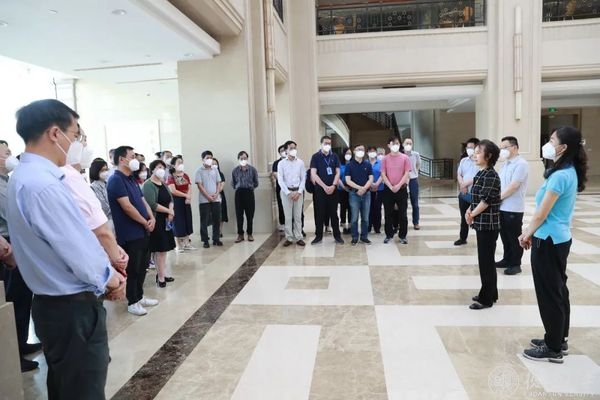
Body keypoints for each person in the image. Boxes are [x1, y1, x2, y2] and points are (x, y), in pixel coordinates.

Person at [6, 99, 126, 399]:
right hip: (72, 310)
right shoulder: (43, 185)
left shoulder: (23, 177)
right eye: (75, 135)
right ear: (54, 133)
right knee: (83, 390)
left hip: (53, 306)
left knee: (65, 387)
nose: (76, 143)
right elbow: (76, 248)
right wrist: (111, 280)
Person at [519, 126, 588, 363]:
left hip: (548, 240)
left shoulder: (560, 176)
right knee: (558, 289)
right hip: (558, 238)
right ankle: (558, 338)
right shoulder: (567, 171)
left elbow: (542, 213)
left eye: (551, 140)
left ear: (563, 147)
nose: (547, 144)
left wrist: (526, 233)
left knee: (549, 292)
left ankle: (553, 347)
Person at [0, 141, 41, 373]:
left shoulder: (7, 181)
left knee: (24, 297)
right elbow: (13, 212)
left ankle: (22, 342)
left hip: (18, 242)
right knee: (14, 299)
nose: (9, 155)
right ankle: (13, 353)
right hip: (8, 247)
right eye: (5, 152)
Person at [108, 145, 159, 316]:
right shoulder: (116, 180)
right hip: (130, 233)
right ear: (122, 159)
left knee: (143, 265)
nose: (135, 160)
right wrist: (145, 222)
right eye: (132, 156)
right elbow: (127, 206)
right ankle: (132, 301)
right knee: (133, 268)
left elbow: (143, 201)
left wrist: (151, 218)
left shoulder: (131, 179)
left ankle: (139, 296)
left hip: (143, 230)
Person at [465, 139, 501, 310]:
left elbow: (486, 201)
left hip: (488, 225)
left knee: (486, 261)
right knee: (485, 260)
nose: (475, 155)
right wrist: (469, 211)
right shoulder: (480, 173)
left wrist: (472, 214)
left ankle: (486, 299)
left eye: (479, 152)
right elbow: (476, 199)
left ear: (489, 156)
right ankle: (491, 293)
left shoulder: (491, 175)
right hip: (481, 223)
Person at [495, 136, 529, 276]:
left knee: (514, 237)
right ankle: (507, 259)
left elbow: (514, 186)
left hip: (513, 207)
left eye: (505, 147)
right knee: (504, 236)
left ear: (514, 147)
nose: (502, 150)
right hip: (502, 206)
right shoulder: (505, 164)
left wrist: (497, 199)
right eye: (501, 148)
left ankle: (515, 264)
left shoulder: (521, 164)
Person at [143, 160, 176, 287]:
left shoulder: (163, 183)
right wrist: (168, 211)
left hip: (166, 220)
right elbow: (152, 204)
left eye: (163, 167)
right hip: (156, 219)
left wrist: (171, 211)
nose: (161, 169)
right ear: (152, 169)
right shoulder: (148, 185)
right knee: (159, 250)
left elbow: (170, 199)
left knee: (164, 249)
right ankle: (161, 277)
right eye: (159, 167)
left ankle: (162, 273)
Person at [310, 136, 344, 245]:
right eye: (325, 143)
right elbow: (313, 174)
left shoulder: (334, 156)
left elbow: (337, 172)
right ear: (321, 144)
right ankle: (318, 236)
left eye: (329, 143)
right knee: (319, 213)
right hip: (320, 190)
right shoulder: (315, 157)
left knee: (334, 214)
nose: (327, 145)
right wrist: (324, 186)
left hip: (333, 190)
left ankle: (337, 236)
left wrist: (333, 185)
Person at [381, 136, 411, 244]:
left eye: (397, 143)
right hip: (388, 190)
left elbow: (406, 173)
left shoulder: (405, 158)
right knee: (388, 213)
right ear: (388, 145)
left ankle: (403, 235)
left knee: (402, 214)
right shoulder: (385, 159)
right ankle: (389, 235)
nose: (395, 145)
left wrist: (398, 185)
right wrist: (390, 186)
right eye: (393, 143)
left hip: (401, 189)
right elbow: (383, 174)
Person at [277, 141, 306, 246]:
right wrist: (288, 193)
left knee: (298, 216)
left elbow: (303, 178)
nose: (293, 150)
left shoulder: (300, 163)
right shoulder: (281, 163)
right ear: (286, 150)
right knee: (288, 217)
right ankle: (289, 237)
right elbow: (280, 180)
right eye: (291, 148)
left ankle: (298, 237)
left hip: (298, 192)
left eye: (295, 148)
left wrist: (299, 192)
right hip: (286, 193)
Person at [345, 144, 373, 245]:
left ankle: (364, 237)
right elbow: (348, 180)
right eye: (358, 149)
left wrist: (364, 188)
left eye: (362, 149)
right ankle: (354, 237)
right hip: (354, 194)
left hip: (366, 194)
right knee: (354, 217)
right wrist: (359, 188)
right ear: (354, 151)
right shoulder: (349, 165)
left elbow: (371, 178)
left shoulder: (367, 164)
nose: (360, 151)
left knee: (365, 218)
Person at [455, 137, 480, 245]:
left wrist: (465, 184)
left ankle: (480, 239)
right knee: (463, 217)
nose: (469, 149)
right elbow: (459, 174)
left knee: (477, 217)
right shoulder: (463, 161)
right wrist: (462, 184)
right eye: (467, 147)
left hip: (475, 195)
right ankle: (463, 238)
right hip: (464, 194)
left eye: (471, 147)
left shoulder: (480, 161)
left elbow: (478, 177)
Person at [195, 150, 223, 248]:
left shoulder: (215, 170)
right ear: (203, 159)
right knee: (204, 220)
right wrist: (208, 196)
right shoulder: (199, 171)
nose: (209, 159)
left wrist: (216, 194)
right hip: (204, 200)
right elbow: (200, 185)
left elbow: (219, 182)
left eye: (211, 157)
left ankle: (216, 239)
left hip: (216, 199)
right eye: (207, 158)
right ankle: (205, 240)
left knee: (217, 219)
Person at [166, 156, 195, 251]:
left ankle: (187, 243)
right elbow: (173, 190)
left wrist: (188, 196)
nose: (181, 164)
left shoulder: (185, 175)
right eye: (179, 163)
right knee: (178, 222)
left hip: (186, 201)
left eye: (182, 162)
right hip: (176, 201)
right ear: (173, 165)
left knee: (187, 220)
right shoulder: (171, 177)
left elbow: (189, 187)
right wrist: (185, 195)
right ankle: (178, 244)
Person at [231, 151, 259, 243]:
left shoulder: (252, 170)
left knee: (250, 215)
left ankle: (250, 233)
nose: (243, 160)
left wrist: (251, 187)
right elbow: (233, 183)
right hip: (239, 193)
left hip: (249, 192)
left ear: (247, 158)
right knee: (239, 215)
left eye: (245, 158)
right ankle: (240, 234)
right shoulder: (235, 170)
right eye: (241, 158)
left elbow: (256, 183)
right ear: (238, 159)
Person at [403, 137, 421, 230]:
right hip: (403, 180)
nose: (408, 145)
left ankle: (416, 222)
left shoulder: (416, 154)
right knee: (402, 203)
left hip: (413, 180)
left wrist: (415, 173)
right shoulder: (401, 155)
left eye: (410, 143)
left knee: (415, 203)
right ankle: (402, 222)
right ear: (403, 144)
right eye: (407, 143)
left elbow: (418, 165)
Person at [90, 159, 112, 225]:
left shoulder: (107, 184)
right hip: (106, 220)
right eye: (102, 170)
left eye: (106, 170)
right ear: (96, 171)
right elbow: (104, 207)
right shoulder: (94, 187)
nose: (105, 172)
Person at [367, 146, 384, 234]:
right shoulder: (365, 163)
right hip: (368, 189)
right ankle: (368, 226)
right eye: (370, 151)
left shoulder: (380, 163)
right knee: (368, 208)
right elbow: (364, 175)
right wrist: (370, 184)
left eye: (374, 151)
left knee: (377, 208)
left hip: (379, 188)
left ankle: (377, 227)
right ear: (367, 153)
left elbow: (383, 174)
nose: (372, 153)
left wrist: (376, 184)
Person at [271, 144, 287, 232]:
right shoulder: (276, 163)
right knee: (281, 205)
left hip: (291, 187)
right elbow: (275, 174)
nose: (283, 152)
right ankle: (283, 223)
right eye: (281, 151)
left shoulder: (291, 161)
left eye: (284, 150)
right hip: (280, 187)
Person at [212, 158, 228, 237]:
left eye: (216, 164)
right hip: (210, 196)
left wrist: (217, 192)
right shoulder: (208, 173)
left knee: (221, 213)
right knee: (213, 214)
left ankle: (220, 231)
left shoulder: (221, 174)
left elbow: (222, 185)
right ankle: (214, 231)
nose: (214, 165)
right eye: (213, 164)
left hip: (220, 195)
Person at [338, 147, 352, 234]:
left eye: (350, 154)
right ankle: (343, 225)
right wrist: (343, 187)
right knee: (343, 208)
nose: (348, 155)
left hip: (351, 189)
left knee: (351, 208)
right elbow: (338, 177)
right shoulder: (340, 165)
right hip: (342, 189)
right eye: (347, 153)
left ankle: (350, 226)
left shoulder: (353, 164)